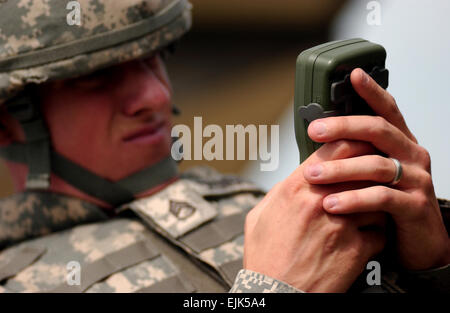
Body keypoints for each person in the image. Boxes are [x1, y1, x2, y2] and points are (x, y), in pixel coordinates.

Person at [0, 0, 448, 293]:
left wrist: (430, 266)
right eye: (96, 77)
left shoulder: (273, 210)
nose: (155, 97)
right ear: (9, 122)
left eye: (157, 57)